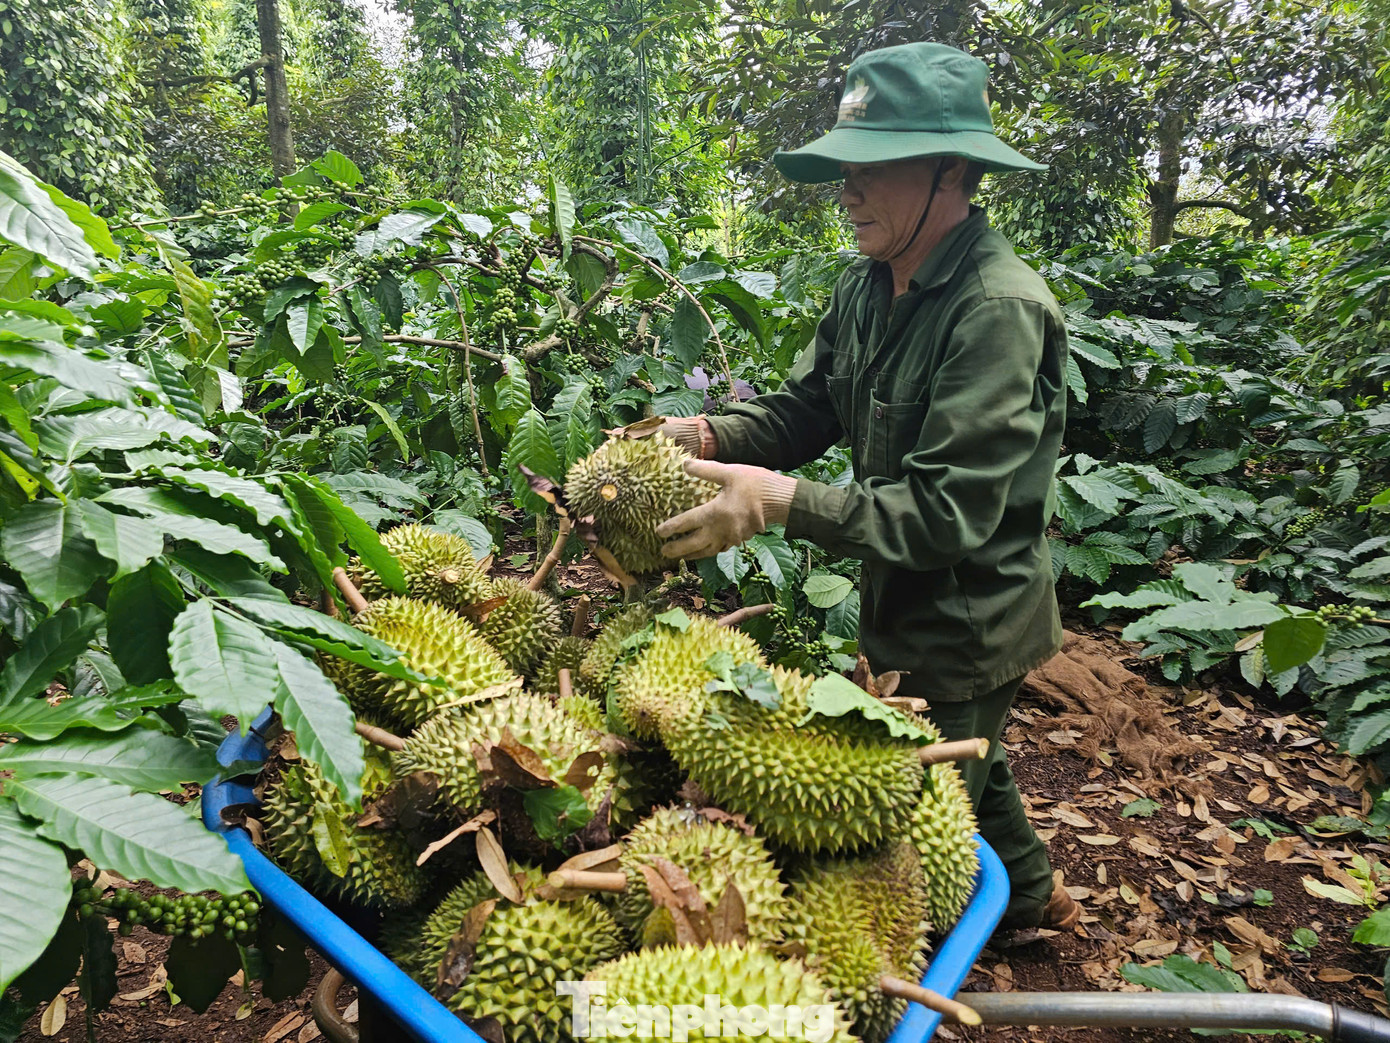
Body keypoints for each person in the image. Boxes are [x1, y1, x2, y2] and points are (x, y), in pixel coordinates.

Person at [651, 41, 1077, 931]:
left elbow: (945, 514)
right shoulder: (865, 287)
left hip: (966, 611)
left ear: (950, 170)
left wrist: (776, 502)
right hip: (896, 583)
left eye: (870, 167)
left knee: (915, 817)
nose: (845, 189)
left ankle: (936, 936)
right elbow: (808, 410)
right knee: (970, 760)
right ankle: (1033, 898)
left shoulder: (997, 309)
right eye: (843, 167)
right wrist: (703, 434)